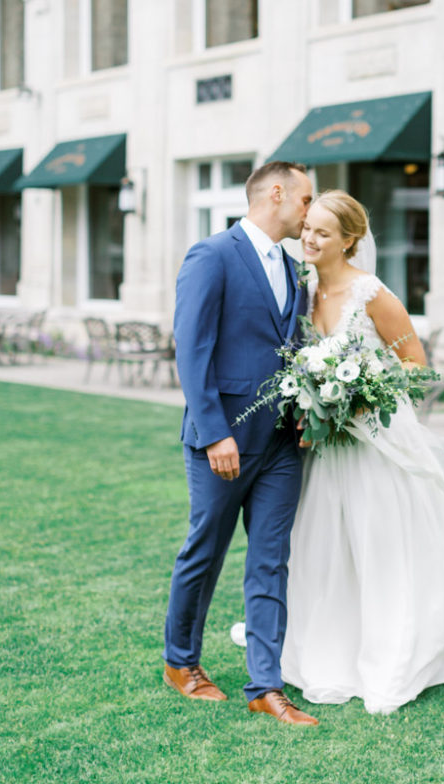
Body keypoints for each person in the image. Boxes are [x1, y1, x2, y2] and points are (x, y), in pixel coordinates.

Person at [280, 190, 444, 715]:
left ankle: (395, 650)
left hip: (376, 443)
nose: (310, 238)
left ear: (350, 240)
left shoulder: (372, 292)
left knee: (380, 542)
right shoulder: (302, 289)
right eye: (307, 227)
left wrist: (361, 393)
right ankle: (329, 647)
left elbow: (417, 365)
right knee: (327, 545)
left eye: (323, 233)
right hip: (327, 447)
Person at [163, 160, 320, 726]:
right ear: (275, 193)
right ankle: (181, 663)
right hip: (223, 440)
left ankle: (266, 685)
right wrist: (214, 434)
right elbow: (192, 349)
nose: (309, 213)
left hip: (284, 442)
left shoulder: (298, 269)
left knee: (271, 560)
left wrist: (311, 410)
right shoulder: (212, 255)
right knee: (204, 551)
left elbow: (299, 346)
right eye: (305, 201)